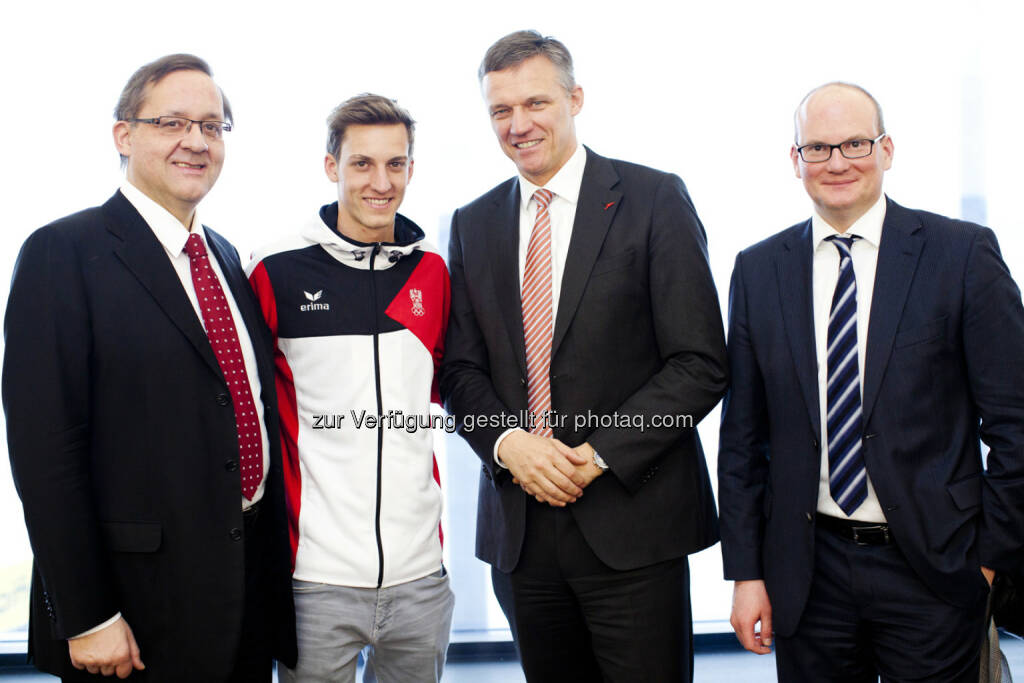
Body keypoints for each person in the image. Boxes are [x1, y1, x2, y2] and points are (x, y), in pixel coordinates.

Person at [439, 29, 728, 682]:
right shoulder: (473, 221)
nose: (518, 124)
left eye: (535, 103)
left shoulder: (654, 199)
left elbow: (700, 361)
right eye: (500, 110)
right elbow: (459, 370)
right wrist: (510, 444)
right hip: (522, 539)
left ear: (575, 98)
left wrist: (597, 454)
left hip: (634, 530)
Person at [3, 54, 296, 682]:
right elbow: (43, 452)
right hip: (133, 612)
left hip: (243, 598)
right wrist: (87, 616)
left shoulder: (222, 256)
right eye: (172, 122)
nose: (196, 140)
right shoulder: (62, 252)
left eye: (213, 127)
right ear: (123, 135)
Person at [718, 81, 1024, 682]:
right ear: (795, 160)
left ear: (886, 149)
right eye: (818, 148)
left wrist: (989, 560)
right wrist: (747, 574)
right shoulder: (758, 270)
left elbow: (1016, 422)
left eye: (855, 143)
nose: (837, 162)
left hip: (934, 568)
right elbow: (742, 440)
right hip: (809, 573)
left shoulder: (960, 254)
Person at [247, 94, 453, 682]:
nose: (380, 182)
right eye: (362, 163)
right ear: (332, 166)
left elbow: (444, 392)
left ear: (411, 169)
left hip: (422, 578)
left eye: (396, 164)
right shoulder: (275, 269)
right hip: (316, 580)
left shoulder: (433, 272)